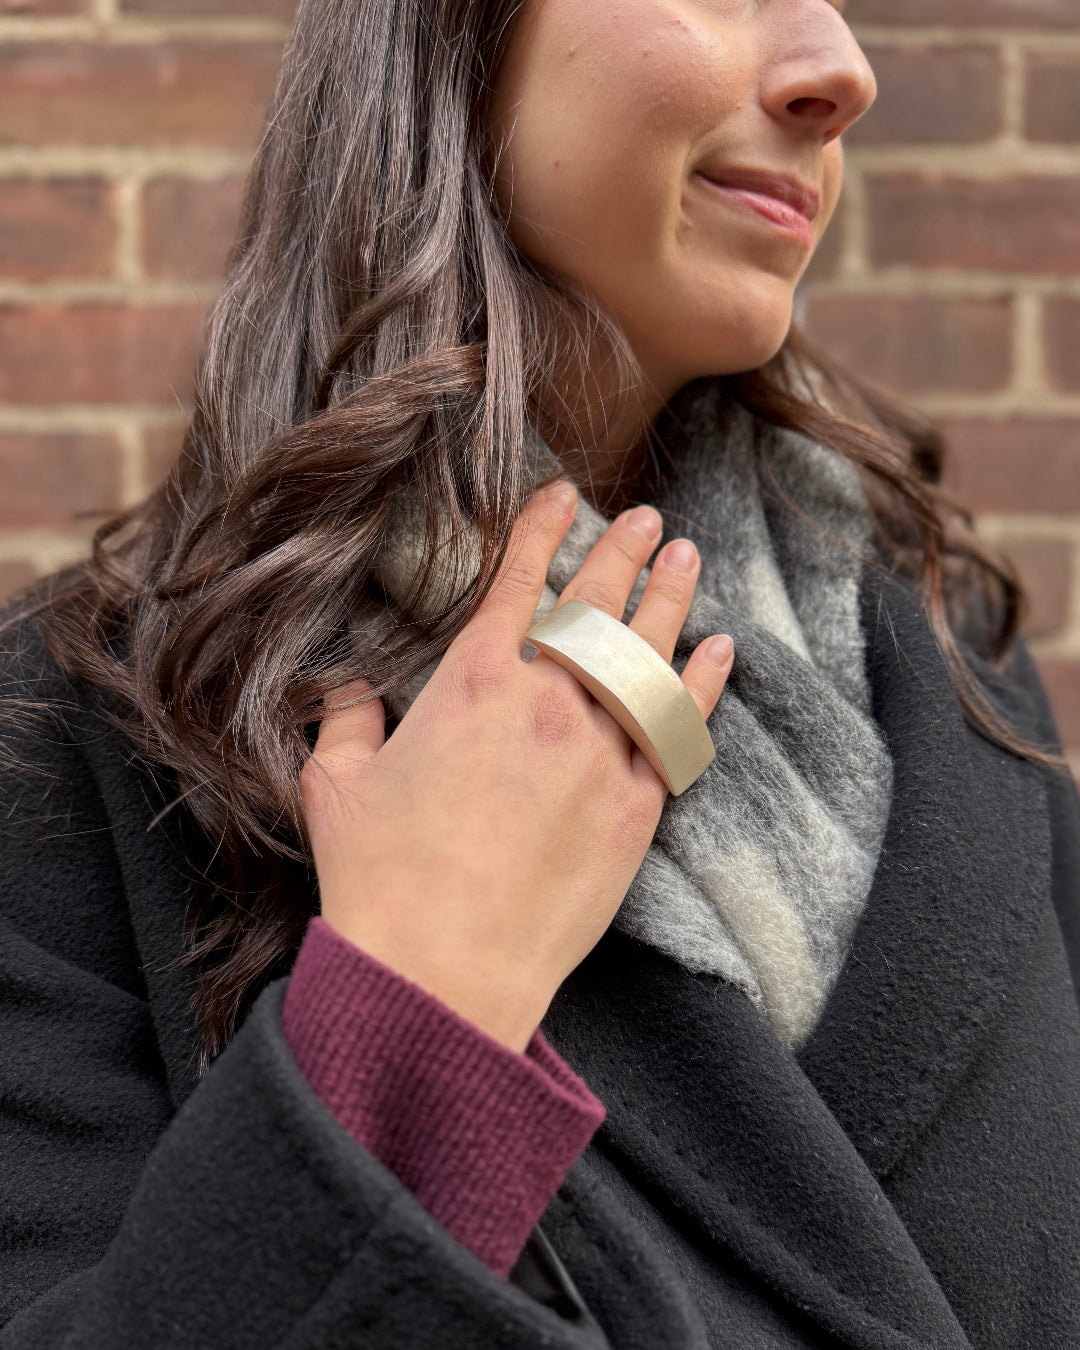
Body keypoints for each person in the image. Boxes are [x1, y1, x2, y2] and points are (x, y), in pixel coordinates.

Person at [2, 0, 1078, 1346]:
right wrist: (418, 1001)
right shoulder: (84, 740)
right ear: (449, 34)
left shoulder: (950, 663)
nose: (840, 69)